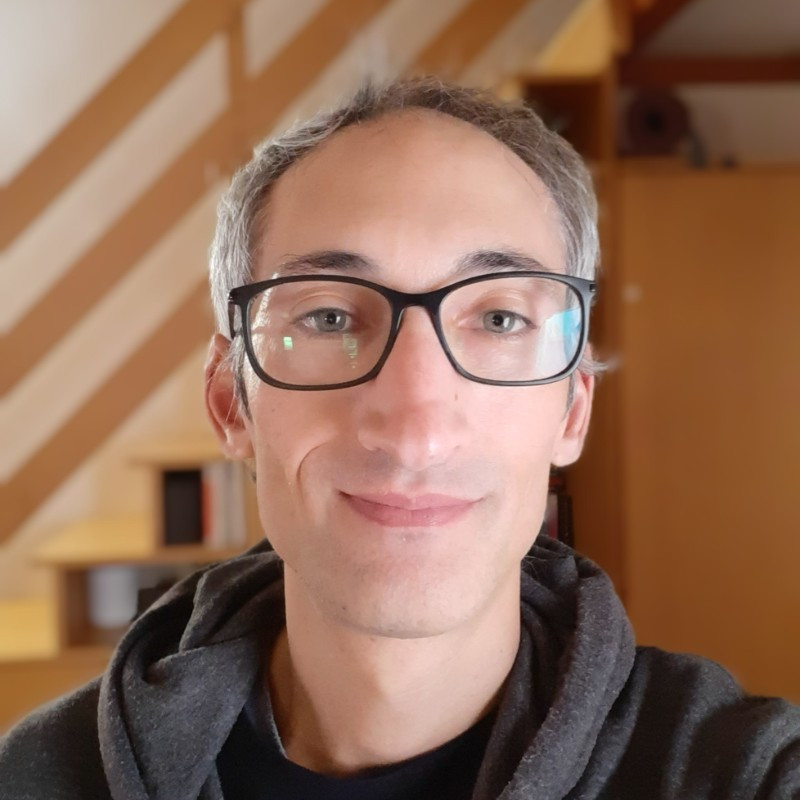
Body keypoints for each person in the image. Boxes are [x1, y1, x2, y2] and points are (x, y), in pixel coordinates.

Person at [1, 76, 798, 800]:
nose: (418, 431)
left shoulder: (743, 774)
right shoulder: (36, 777)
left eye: (498, 318)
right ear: (229, 403)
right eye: (329, 316)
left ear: (572, 412)